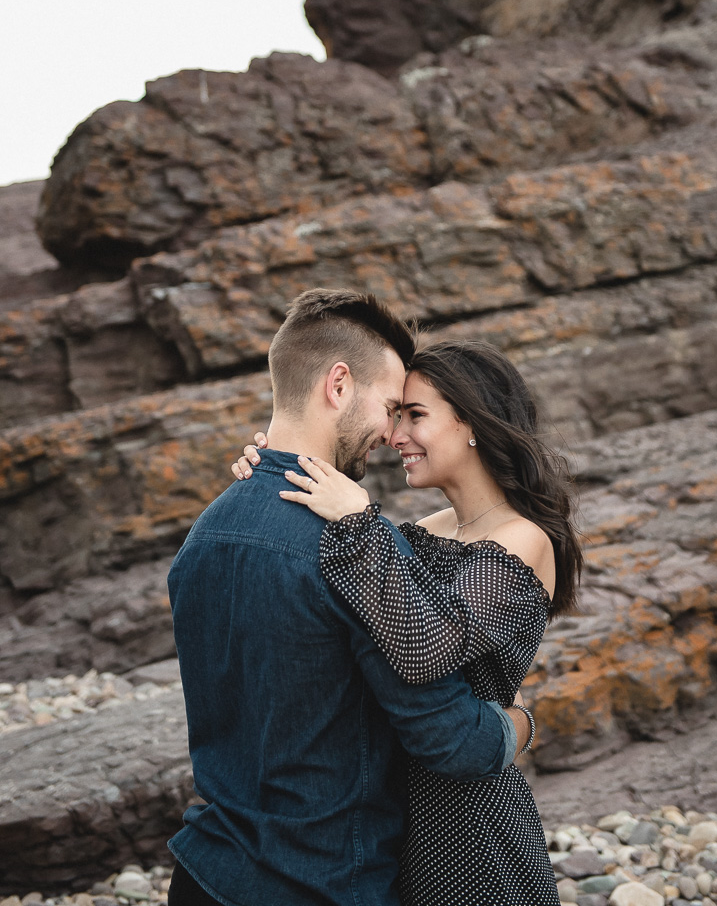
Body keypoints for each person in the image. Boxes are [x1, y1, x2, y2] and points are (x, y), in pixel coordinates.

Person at [167, 289, 531, 906]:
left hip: (205, 873)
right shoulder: (358, 550)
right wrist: (521, 721)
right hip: (322, 882)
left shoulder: (206, 532)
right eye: (391, 406)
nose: (391, 434)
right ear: (338, 386)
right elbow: (449, 739)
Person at [233, 338, 583, 906]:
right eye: (394, 415)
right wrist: (274, 464)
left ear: (474, 423)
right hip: (385, 813)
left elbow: (425, 648)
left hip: (469, 828)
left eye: (414, 415)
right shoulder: (426, 529)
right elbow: (361, 600)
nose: (396, 436)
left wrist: (358, 519)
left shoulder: (524, 539)